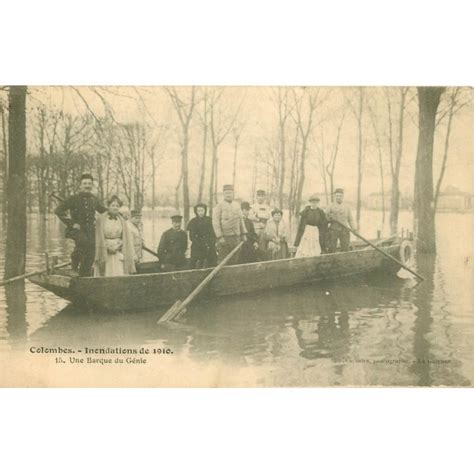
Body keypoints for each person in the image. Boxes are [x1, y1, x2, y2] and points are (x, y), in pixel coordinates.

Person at [55, 173, 107, 276]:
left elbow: (103, 210)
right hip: (77, 230)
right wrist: (71, 223)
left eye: (89, 183)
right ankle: (74, 265)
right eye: (85, 183)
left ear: (92, 185)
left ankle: (85, 273)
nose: (87, 185)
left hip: (90, 230)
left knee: (92, 249)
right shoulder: (73, 198)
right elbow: (58, 210)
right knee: (83, 242)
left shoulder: (94, 199)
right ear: (80, 185)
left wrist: (117, 213)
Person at [94, 195, 136, 277]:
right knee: (106, 271)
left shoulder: (122, 220)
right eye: (113, 205)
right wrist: (107, 246)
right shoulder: (101, 220)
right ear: (108, 207)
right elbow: (98, 236)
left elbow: (125, 237)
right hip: (105, 250)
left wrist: (119, 245)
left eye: (117, 206)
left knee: (119, 270)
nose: (115, 208)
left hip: (118, 250)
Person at [212, 184, 247, 264]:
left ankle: (232, 276)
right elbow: (215, 223)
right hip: (225, 238)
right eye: (226, 193)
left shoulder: (237, 205)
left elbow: (241, 220)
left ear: (233, 194)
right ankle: (222, 276)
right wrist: (220, 237)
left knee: (235, 258)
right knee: (223, 259)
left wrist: (244, 234)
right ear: (223, 194)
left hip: (236, 237)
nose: (228, 195)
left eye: (230, 193)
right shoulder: (219, 206)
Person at [187, 203, 217, 269]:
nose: (200, 212)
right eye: (199, 211)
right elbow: (192, 236)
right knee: (195, 261)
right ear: (196, 211)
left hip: (209, 244)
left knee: (212, 260)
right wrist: (200, 244)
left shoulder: (210, 220)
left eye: (202, 210)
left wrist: (211, 243)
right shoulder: (193, 221)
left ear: (205, 210)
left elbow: (213, 234)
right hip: (197, 245)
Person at [326, 188, 355, 252]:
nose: (338, 197)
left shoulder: (347, 206)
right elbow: (325, 219)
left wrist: (354, 228)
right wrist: (330, 218)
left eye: (340, 196)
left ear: (343, 196)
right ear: (335, 196)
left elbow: (350, 219)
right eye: (337, 196)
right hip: (333, 230)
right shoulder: (330, 206)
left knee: (345, 248)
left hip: (344, 229)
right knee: (332, 248)